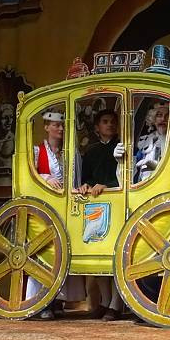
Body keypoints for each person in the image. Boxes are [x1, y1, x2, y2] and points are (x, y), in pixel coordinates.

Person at [28, 109, 85, 319]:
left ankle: (59, 299)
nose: (60, 129)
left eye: (62, 126)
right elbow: (29, 178)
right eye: (55, 125)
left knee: (65, 252)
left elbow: (77, 179)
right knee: (45, 253)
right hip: (45, 209)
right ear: (46, 127)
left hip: (67, 209)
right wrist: (45, 178)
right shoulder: (37, 151)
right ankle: (41, 300)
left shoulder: (71, 153)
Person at [76, 109, 123, 320]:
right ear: (97, 127)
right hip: (95, 207)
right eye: (105, 122)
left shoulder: (122, 147)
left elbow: (125, 176)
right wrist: (86, 185)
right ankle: (104, 301)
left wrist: (107, 185)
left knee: (114, 256)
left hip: (116, 202)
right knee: (97, 256)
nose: (110, 125)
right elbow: (86, 178)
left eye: (113, 122)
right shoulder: (91, 152)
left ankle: (115, 304)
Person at [124, 102, 169, 183]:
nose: (163, 119)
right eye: (159, 115)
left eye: (167, 116)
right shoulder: (145, 142)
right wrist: (122, 160)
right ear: (153, 119)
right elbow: (132, 170)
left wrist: (158, 167)